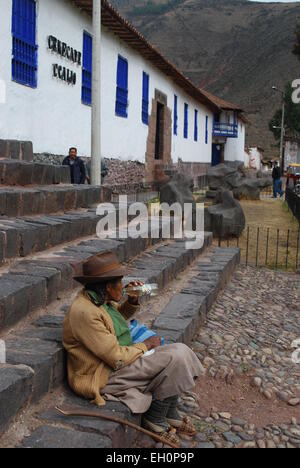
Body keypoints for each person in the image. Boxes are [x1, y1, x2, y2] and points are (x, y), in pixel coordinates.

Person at [63, 252, 204, 446]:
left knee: (181, 350)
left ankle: (169, 410)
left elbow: (113, 321)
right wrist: (145, 346)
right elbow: (115, 357)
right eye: (120, 282)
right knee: (176, 357)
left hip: (119, 358)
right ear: (107, 286)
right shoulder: (85, 312)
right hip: (103, 373)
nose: (123, 285)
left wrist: (131, 302)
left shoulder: (97, 299)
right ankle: (155, 417)